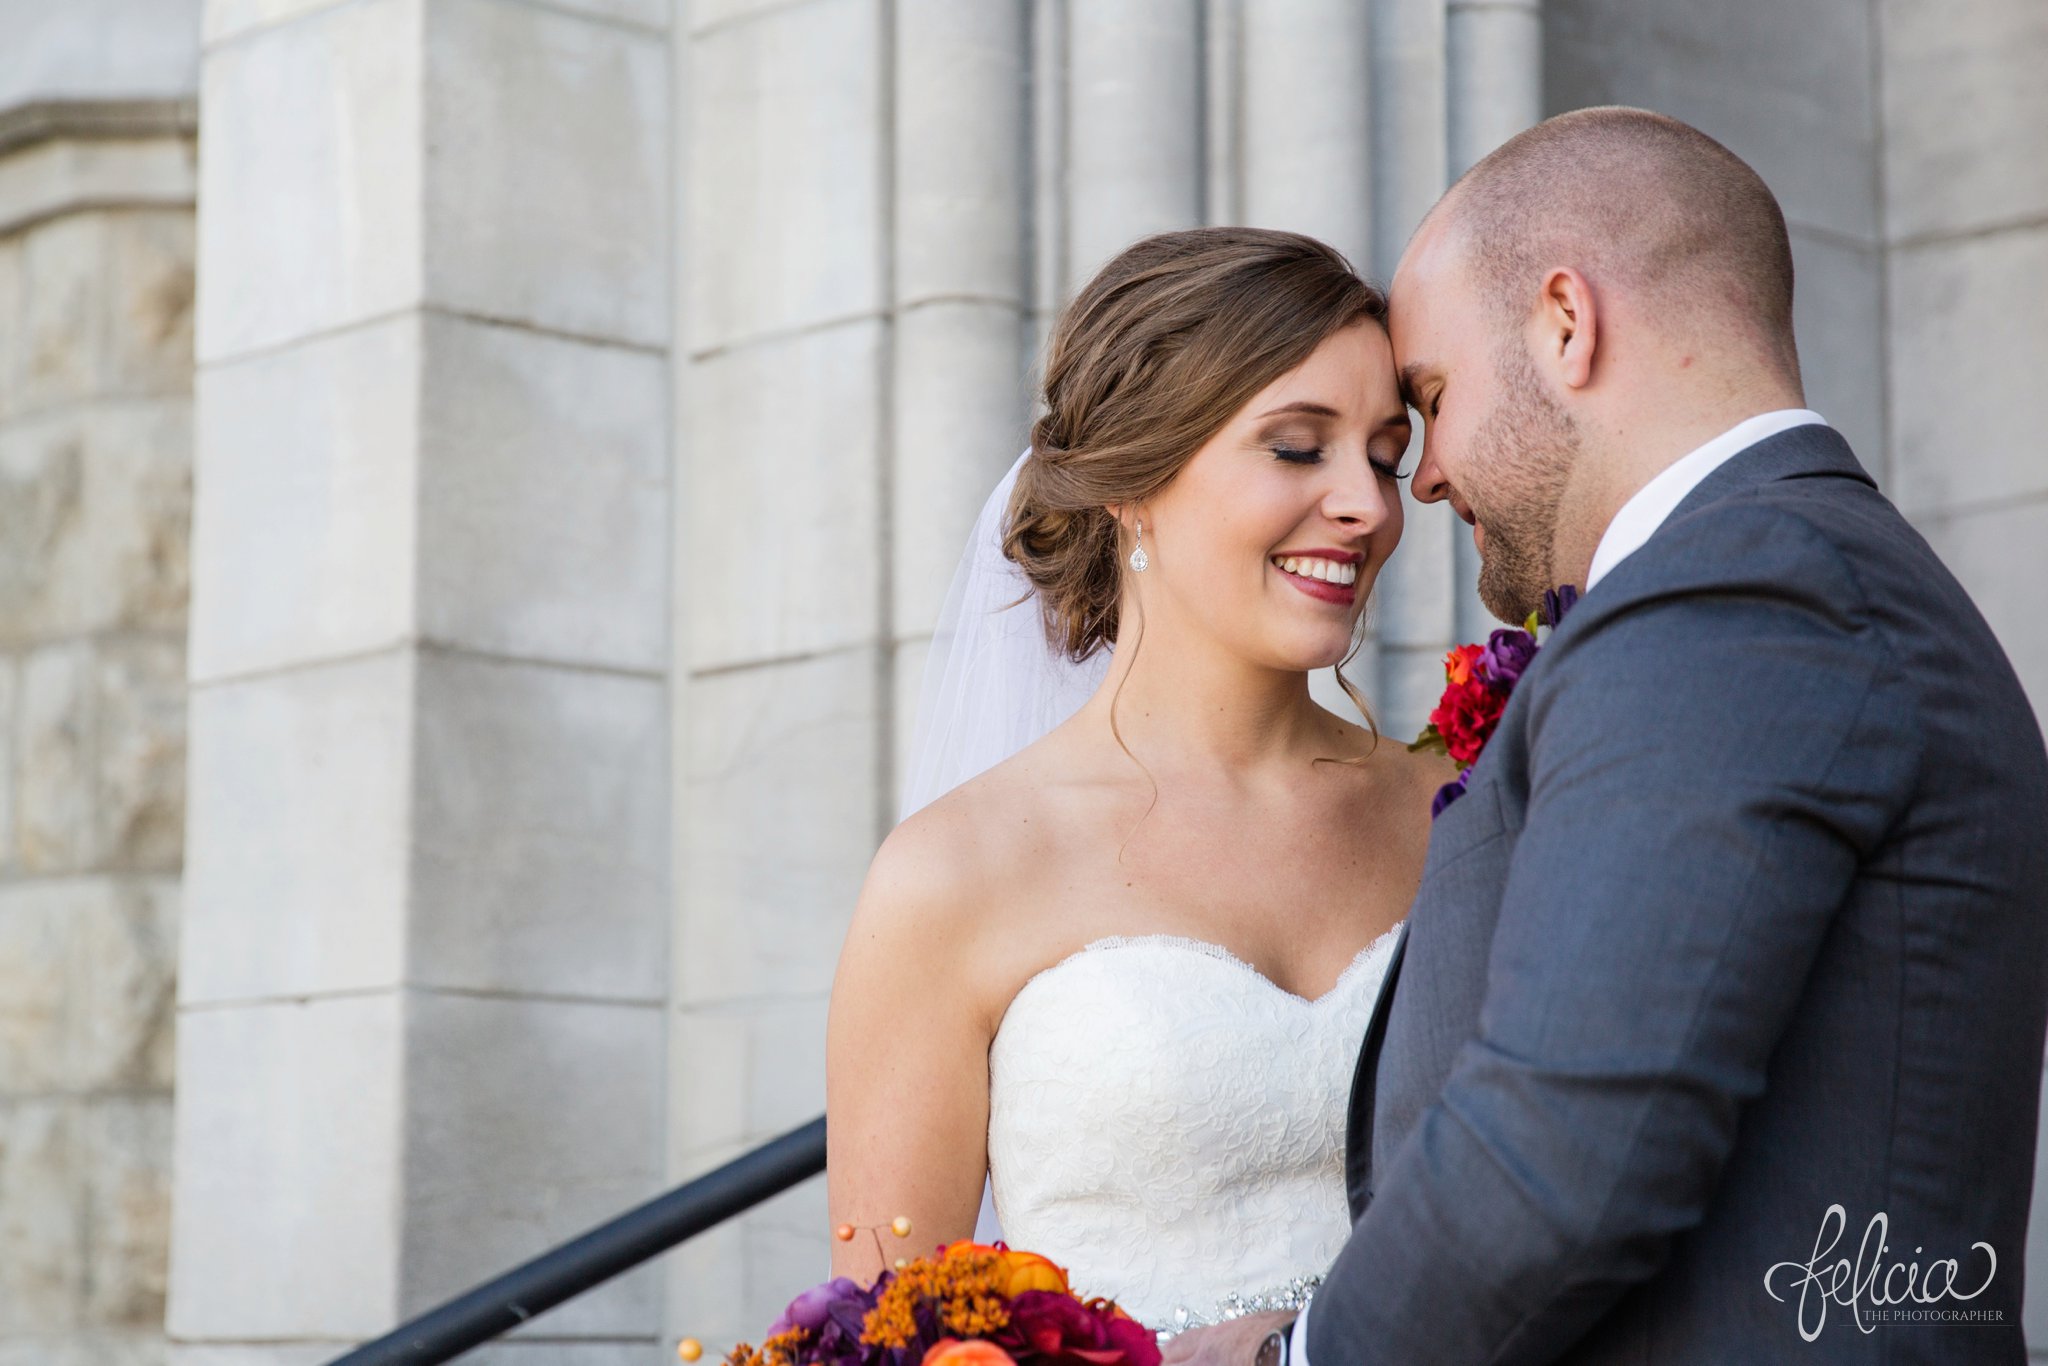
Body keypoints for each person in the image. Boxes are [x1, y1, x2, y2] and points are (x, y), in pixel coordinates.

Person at [1166, 106, 2048, 1366]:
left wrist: (1294, 1360)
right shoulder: (1794, 576)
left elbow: (1566, 1140)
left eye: (1429, 398)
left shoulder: (1744, 591)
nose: (1416, 483)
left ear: (1564, 325)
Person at [825, 227, 1449, 1331]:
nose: (1367, 504)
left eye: (1385, 454)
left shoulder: (1451, 803)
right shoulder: (953, 872)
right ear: (1133, 483)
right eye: (1299, 448)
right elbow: (894, 1338)